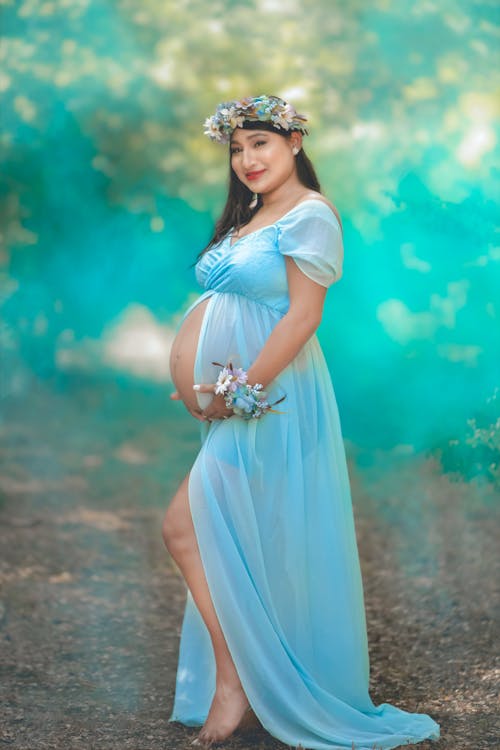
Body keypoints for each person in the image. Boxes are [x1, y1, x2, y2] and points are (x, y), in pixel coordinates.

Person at [162, 95, 440, 750]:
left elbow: (301, 317)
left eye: (260, 142)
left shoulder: (311, 215)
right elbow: (230, 302)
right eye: (236, 148)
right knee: (245, 536)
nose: (247, 159)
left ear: (293, 143)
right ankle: (251, 679)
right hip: (238, 392)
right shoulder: (254, 214)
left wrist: (238, 389)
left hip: (271, 398)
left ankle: (237, 683)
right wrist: (195, 372)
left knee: (186, 527)